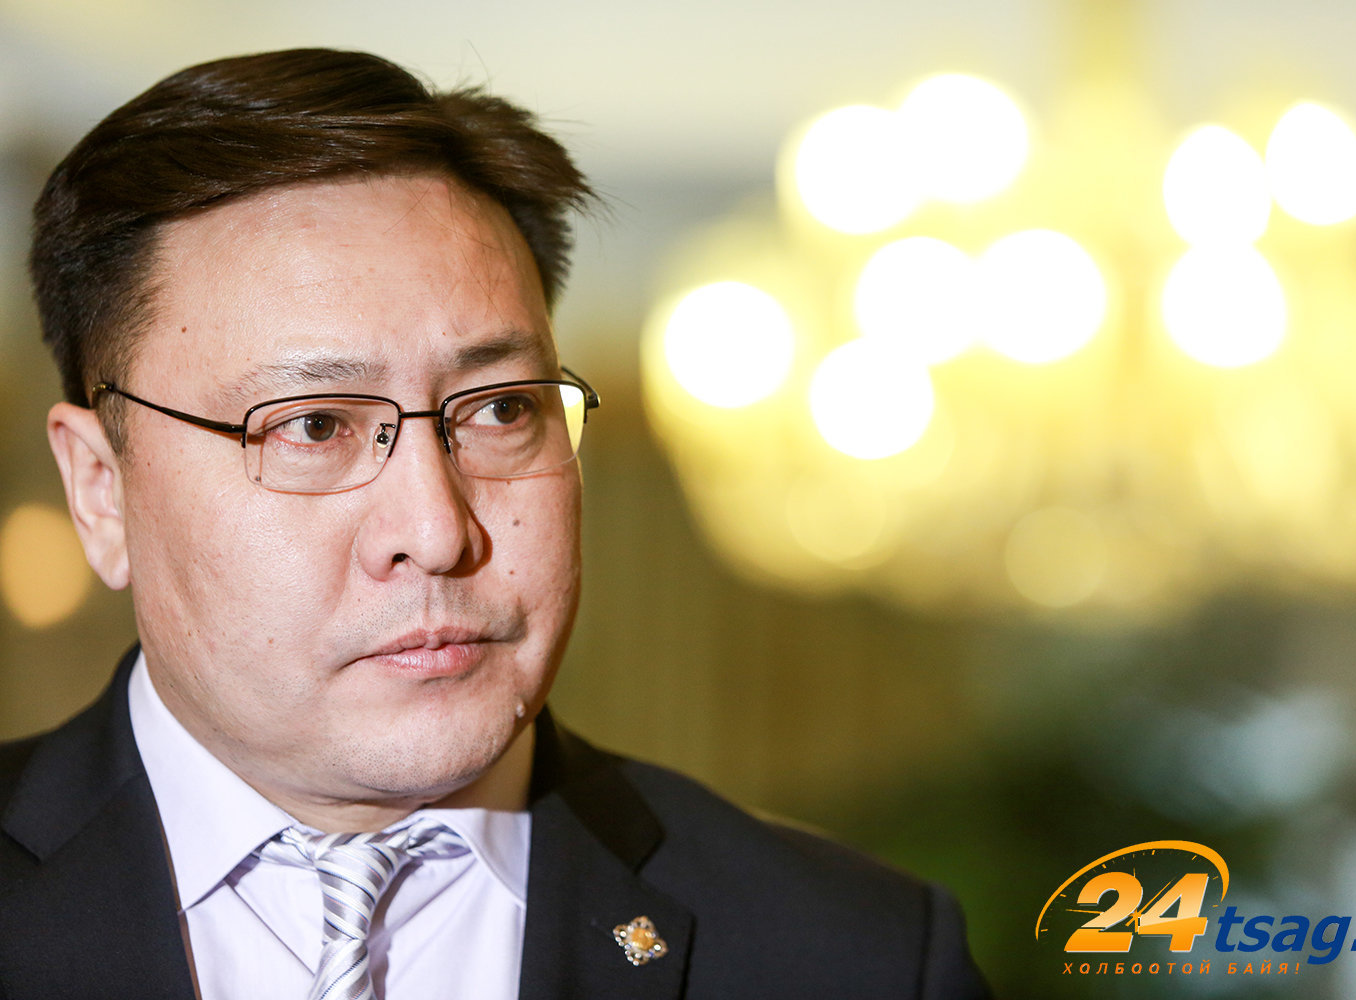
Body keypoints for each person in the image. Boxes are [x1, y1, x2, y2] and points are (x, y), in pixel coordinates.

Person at [0, 48, 991, 999]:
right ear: (100, 490)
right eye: (315, 426)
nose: (437, 532)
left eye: (502, 409)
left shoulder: (851, 958)